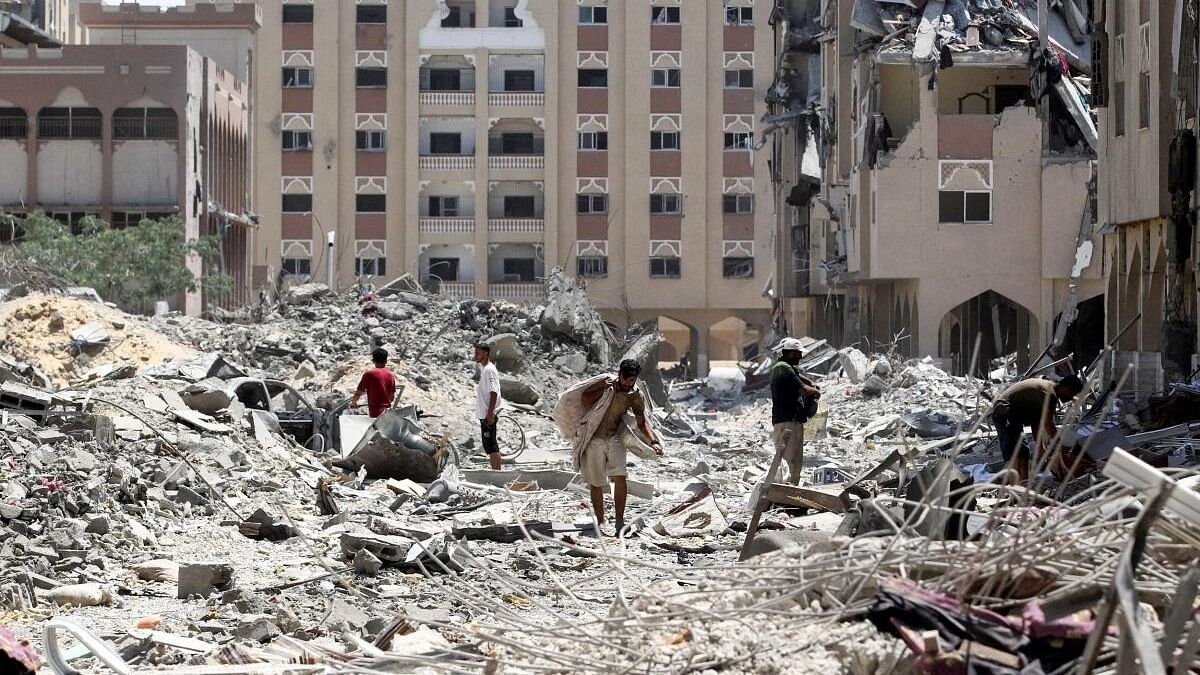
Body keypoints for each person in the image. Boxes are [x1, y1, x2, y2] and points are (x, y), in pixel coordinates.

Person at [579, 359, 664, 534]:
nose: (626, 384)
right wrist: (601, 389)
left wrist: (653, 441)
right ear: (619, 375)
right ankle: (601, 522)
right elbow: (584, 399)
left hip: (614, 437)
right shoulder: (606, 385)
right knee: (596, 482)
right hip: (594, 438)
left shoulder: (635, 395)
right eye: (624, 380)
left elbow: (642, 423)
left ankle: (619, 522)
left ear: (636, 378)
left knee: (620, 476)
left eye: (631, 381)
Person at [990, 375, 1084, 482]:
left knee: (1024, 453)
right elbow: (1048, 424)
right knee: (1014, 453)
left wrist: (1041, 448)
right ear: (1067, 388)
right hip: (1005, 411)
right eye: (1072, 394)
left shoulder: (1049, 393)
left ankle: (1024, 482)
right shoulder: (1049, 393)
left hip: (1014, 415)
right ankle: (1013, 486)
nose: (1071, 398)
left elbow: (1037, 423)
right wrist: (1060, 446)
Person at [770, 338, 821, 485]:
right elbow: (804, 390)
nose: (800, 357)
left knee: (795, 463)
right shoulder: (783, 368)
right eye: (798, 354)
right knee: (789, 462)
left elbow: (800, 378)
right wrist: (815, 392)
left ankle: (791, 494)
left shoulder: (787, 369)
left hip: (792, 422)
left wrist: (812, 384)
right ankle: (785, 494)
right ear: (791, 353)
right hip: (787, 423)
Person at [474, 343, 503, 470]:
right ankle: (496, 471)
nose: (475, 356)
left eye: (478, 353)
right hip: (485, 414)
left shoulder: (489, 370)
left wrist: (490, 413)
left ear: (485, 354)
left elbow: (493, 391)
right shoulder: (485, 370)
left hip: (488, 414)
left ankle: (497, 473)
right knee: (489, 445)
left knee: (492, 446)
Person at [350, 348, 397, 418]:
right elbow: (391, 398)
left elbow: (358, 393)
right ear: (386, 361)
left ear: (373, 361)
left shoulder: (369, 374)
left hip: (375, 414)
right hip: (388, 413)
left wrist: (353, 403)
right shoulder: (391, 375)